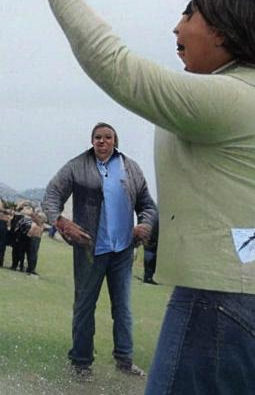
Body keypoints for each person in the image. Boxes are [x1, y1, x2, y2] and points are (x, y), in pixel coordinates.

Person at [35, 0, 255, 394]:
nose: (177, 27)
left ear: (221, 32)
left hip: (218, 297)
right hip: (239, 288)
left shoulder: (231, 96)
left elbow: (121, 70)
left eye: (189, 15)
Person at [43, 122, 157, 378]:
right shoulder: (77, 165)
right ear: (91, 140)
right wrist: (61, 221)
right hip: (89, 247)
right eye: (97, 137)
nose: (102, 141)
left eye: (108, 137)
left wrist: (145, 226)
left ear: (115, 140)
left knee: (123, 308)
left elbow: (147, 204)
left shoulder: (130, 168)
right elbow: (51, 195)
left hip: (123, 249)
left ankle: (125, 360)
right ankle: (81, 361)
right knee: (84, 305)